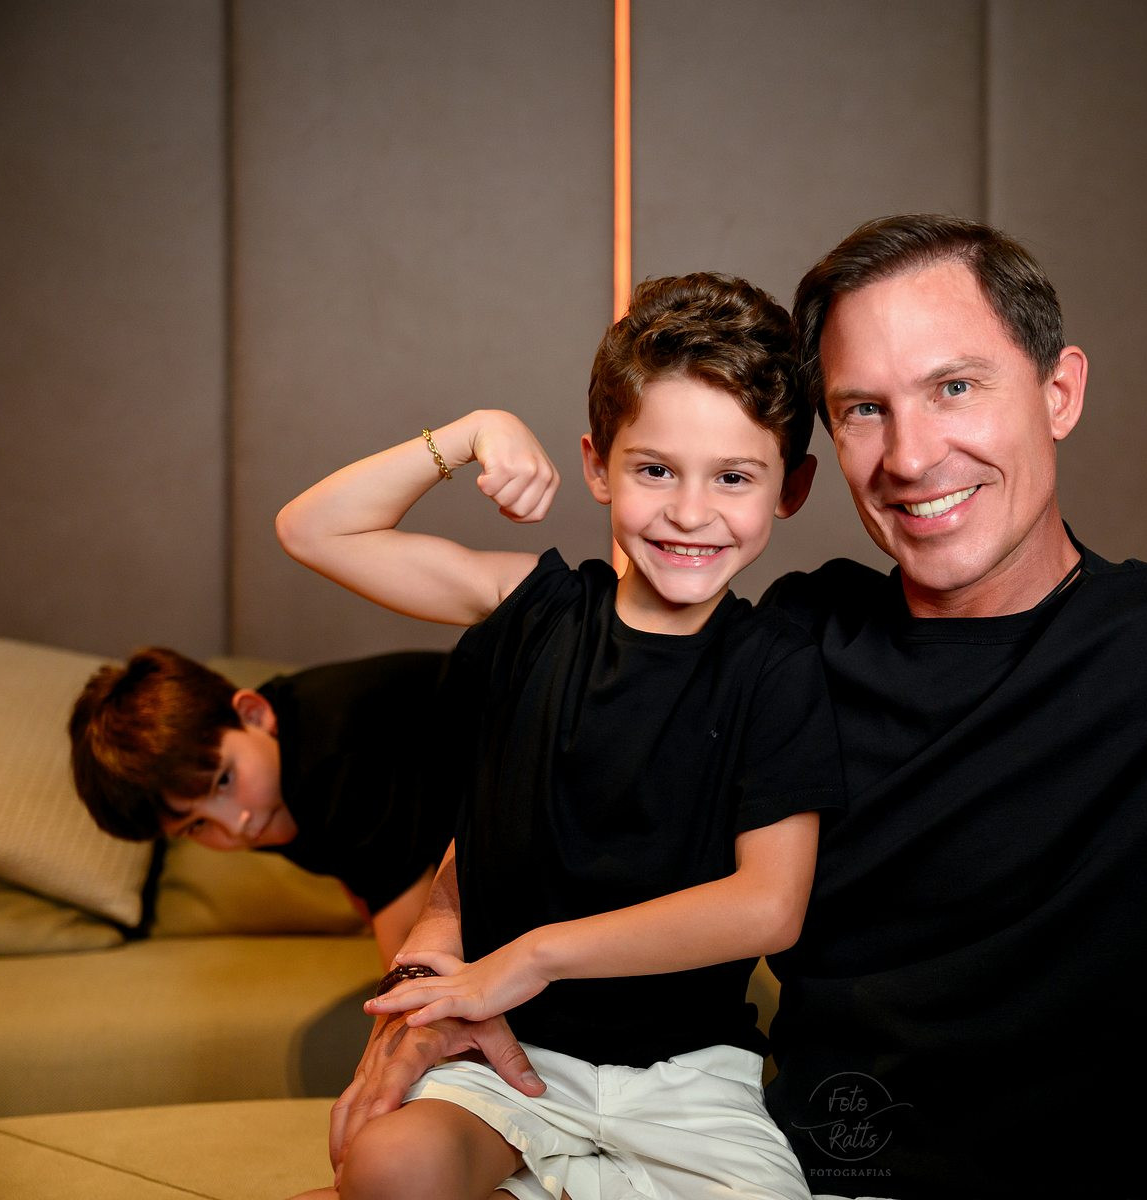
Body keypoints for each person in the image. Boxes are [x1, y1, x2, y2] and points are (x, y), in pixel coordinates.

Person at [323, 201, 1147, 1198]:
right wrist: (442, 957)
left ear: (1058, 391)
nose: (913, 455)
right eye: (863, 409)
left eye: (956, 388)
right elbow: (563, 784)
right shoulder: (791, 640)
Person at [275, 272, 843, 1200]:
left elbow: (768, 906)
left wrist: (526, 958)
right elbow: (312, 530)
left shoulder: (777, 666)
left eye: (734, 477)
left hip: (689, 1080)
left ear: (792, 487)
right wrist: (471, 432)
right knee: (387, 1164)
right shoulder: (533, 610)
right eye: (654, 470)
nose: (690, 511)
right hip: (507, 1054)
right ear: (596, 464)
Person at [69, 646, 455, 963]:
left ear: (253, 713)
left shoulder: (329, 752)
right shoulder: (271, 793)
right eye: (196, 825)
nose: (235, 825)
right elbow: (360, 873)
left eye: (223, 780)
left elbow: (413, 950)